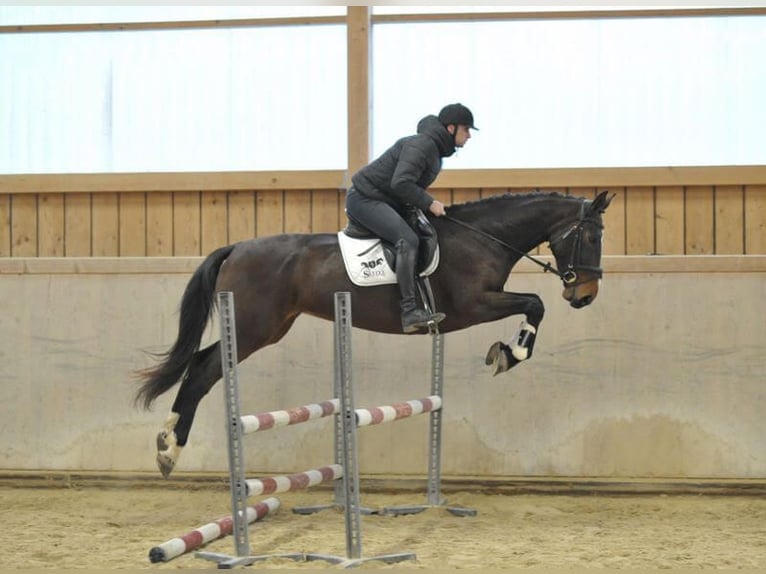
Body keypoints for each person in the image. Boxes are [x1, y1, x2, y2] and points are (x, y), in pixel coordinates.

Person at [345, 103, 478, 333]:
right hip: (364, 199)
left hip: (385, 199)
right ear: (450, 128)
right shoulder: (423, 145)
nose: (468, 136)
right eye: (466, 130)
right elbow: (401, 183)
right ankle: (408, 312)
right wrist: (428, 203)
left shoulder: (433, 150)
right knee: (408, 239)